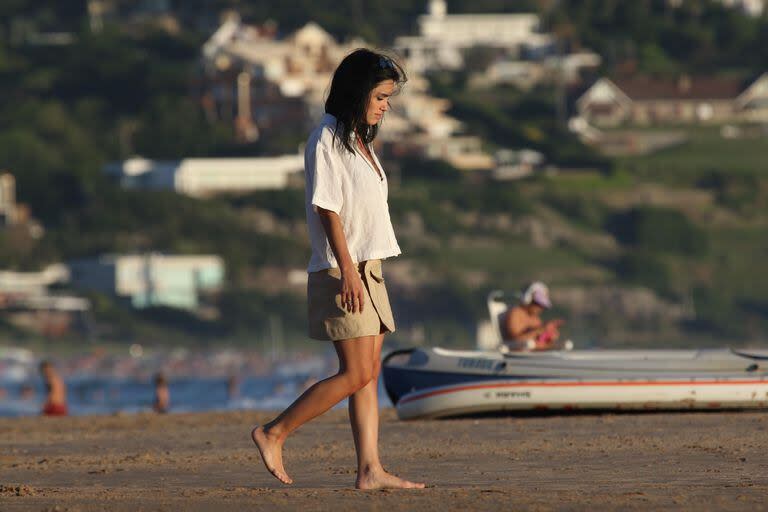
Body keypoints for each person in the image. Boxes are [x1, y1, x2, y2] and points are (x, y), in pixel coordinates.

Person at [251, 48, 424, 490]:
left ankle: (370, 469)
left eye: (389, 97)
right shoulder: (326, 137)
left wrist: (363, 270)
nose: (386, 105)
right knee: (356, 373)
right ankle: (274, 431)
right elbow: (327, 209)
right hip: (342, 268)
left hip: (371, 266)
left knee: (370, 373)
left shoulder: (359, 141)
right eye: (381, 96)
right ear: (359, 91)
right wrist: (348, 271)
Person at [503, 282, 564, 351]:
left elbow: (537, 338)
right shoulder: (515, 314)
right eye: (538, 304)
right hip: (517, 353)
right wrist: (542, 329)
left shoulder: (535, 318)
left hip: (533, 353)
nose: (540, 308)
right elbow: (517, 340)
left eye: (542, 306)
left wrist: (549, 334)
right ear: (528, 299)